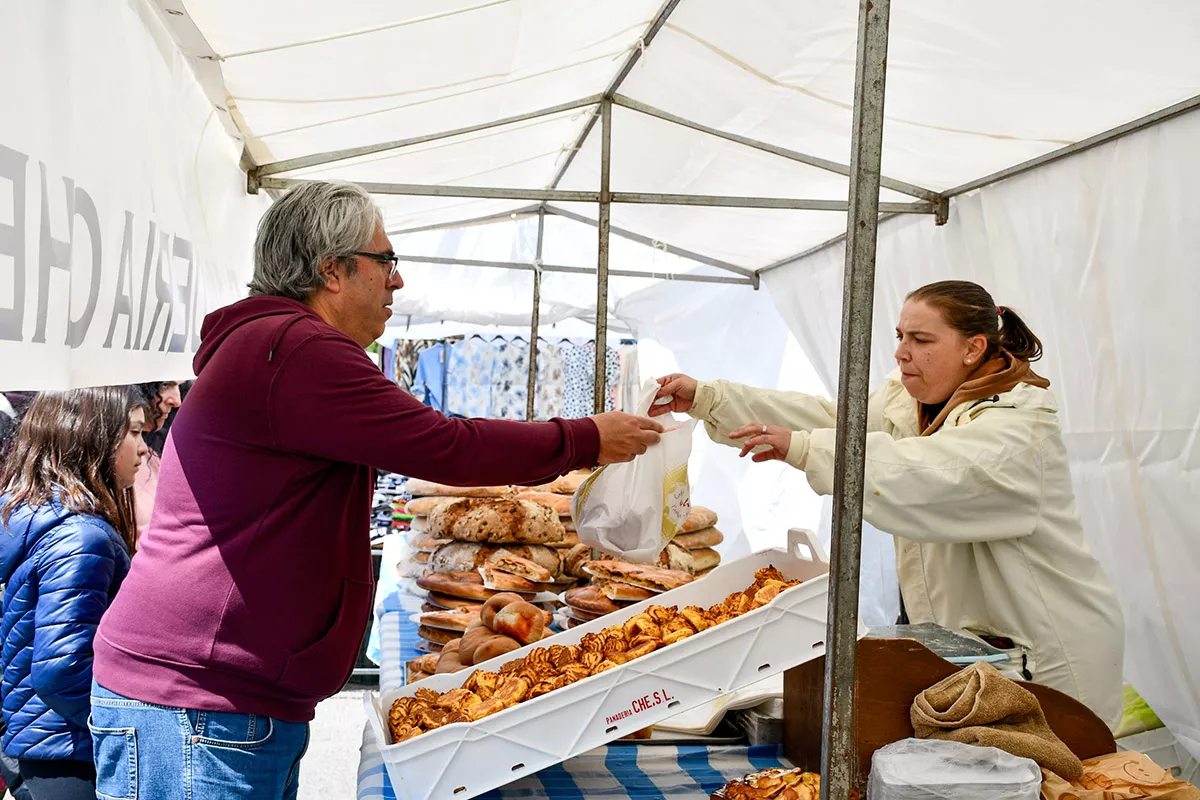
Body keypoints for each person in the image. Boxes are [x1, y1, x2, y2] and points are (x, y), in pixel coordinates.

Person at [90, 180, 664, 799]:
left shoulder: (276, 345)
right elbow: (446, 444)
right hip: (199, 705)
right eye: (386, 261)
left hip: (218, 700)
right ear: (332, 270)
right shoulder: (296, 349)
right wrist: (583, 438)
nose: (397, 281)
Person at [652, 280, 1124, 726]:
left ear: (973, 348)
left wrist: (805, 448)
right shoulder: (908, 404)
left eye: (921, 340)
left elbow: (933, 474)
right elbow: (831, 417)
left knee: (1057, 781)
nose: (901, 353)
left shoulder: (1019, 427)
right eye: (900, 336)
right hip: (975, 653)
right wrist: (710, 399)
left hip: (1045, 656)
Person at [0, 388, 146, 799]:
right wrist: (122, 725)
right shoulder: (81, 537)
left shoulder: (40, 516)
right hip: (70, 752)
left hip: (45, 746)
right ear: (91, 437)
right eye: (132, 432)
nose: (142, 449)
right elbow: (61, 668)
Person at [129, 381, 183, 538]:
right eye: (165, 385)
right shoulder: (102, 463)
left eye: (179, 386)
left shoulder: (151, 456)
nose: (176, 400)